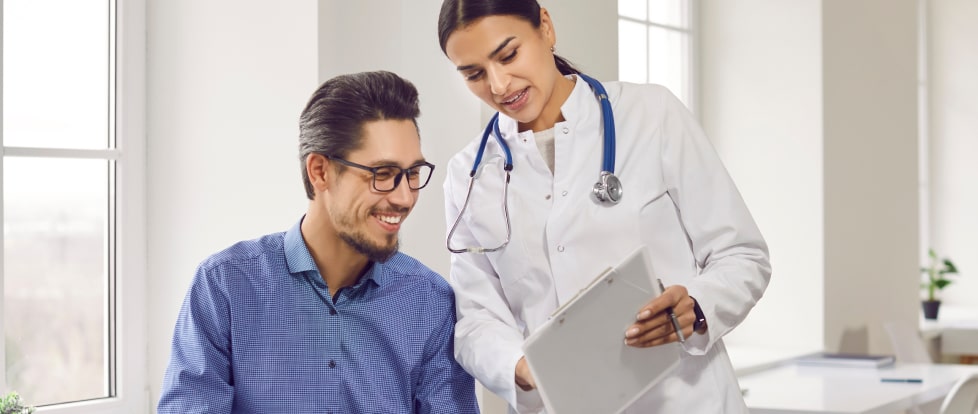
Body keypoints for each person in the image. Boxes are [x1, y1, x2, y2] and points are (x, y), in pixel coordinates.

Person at [437, 1, 771, 412]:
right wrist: (519, 367)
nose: (499, 84)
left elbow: (743, 255)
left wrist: (698, 306)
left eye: (508, 55)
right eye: (474, 74)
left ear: (545, 26)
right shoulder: (468, 175)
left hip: (685, 398)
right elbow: (476, 317)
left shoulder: (651, 115)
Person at [158, 71, 480, 414]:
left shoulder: (429, 302)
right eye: (382, 174)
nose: (404, 197)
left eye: (412, 174)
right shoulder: (225, 285)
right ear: (320, 172)